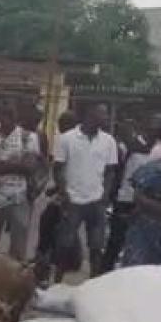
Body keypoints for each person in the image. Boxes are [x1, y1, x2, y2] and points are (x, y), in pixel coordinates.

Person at [53, 102, 119, 276]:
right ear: (90, 113)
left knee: (96, 248)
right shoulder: (67, 138)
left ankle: (93, 284)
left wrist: (105, 195)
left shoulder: (109, 141)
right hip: (73, 201)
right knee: (64, 245)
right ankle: (57, 282)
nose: (106, 117)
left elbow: (110, 171)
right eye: (102, 113)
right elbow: (58, 168)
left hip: (96, 202)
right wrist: (63, 193)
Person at [0, 100, 40, 261]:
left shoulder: (28, 137)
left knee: (18, 248)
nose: (7, 118)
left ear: (16, 115)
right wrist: (16, 163)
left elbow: (30, 166)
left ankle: (13, 280)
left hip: (19, 198)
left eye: (10, 114)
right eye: (3, 114)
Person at [34, 109, 79, 284]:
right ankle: (49, 272)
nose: (59, 129)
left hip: (66, 199)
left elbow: (63, 171)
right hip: (64, 196)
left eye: (62, 125)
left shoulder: (68, 142)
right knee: (54, 233)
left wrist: (58, 190)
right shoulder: (70, 142)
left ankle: (46, 273)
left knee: (51, 235)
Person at [104, 118, 150, 269]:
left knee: (132, 240)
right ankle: (104, 271)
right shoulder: (126, 148)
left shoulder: (144, 149)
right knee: (115, 240)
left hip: (137, 201)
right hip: (123, 199)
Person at [119, 155, 161, 266]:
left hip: (148, 227)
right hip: (146, 232)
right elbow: (137, 195)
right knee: (136, 274)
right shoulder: (156, 168)